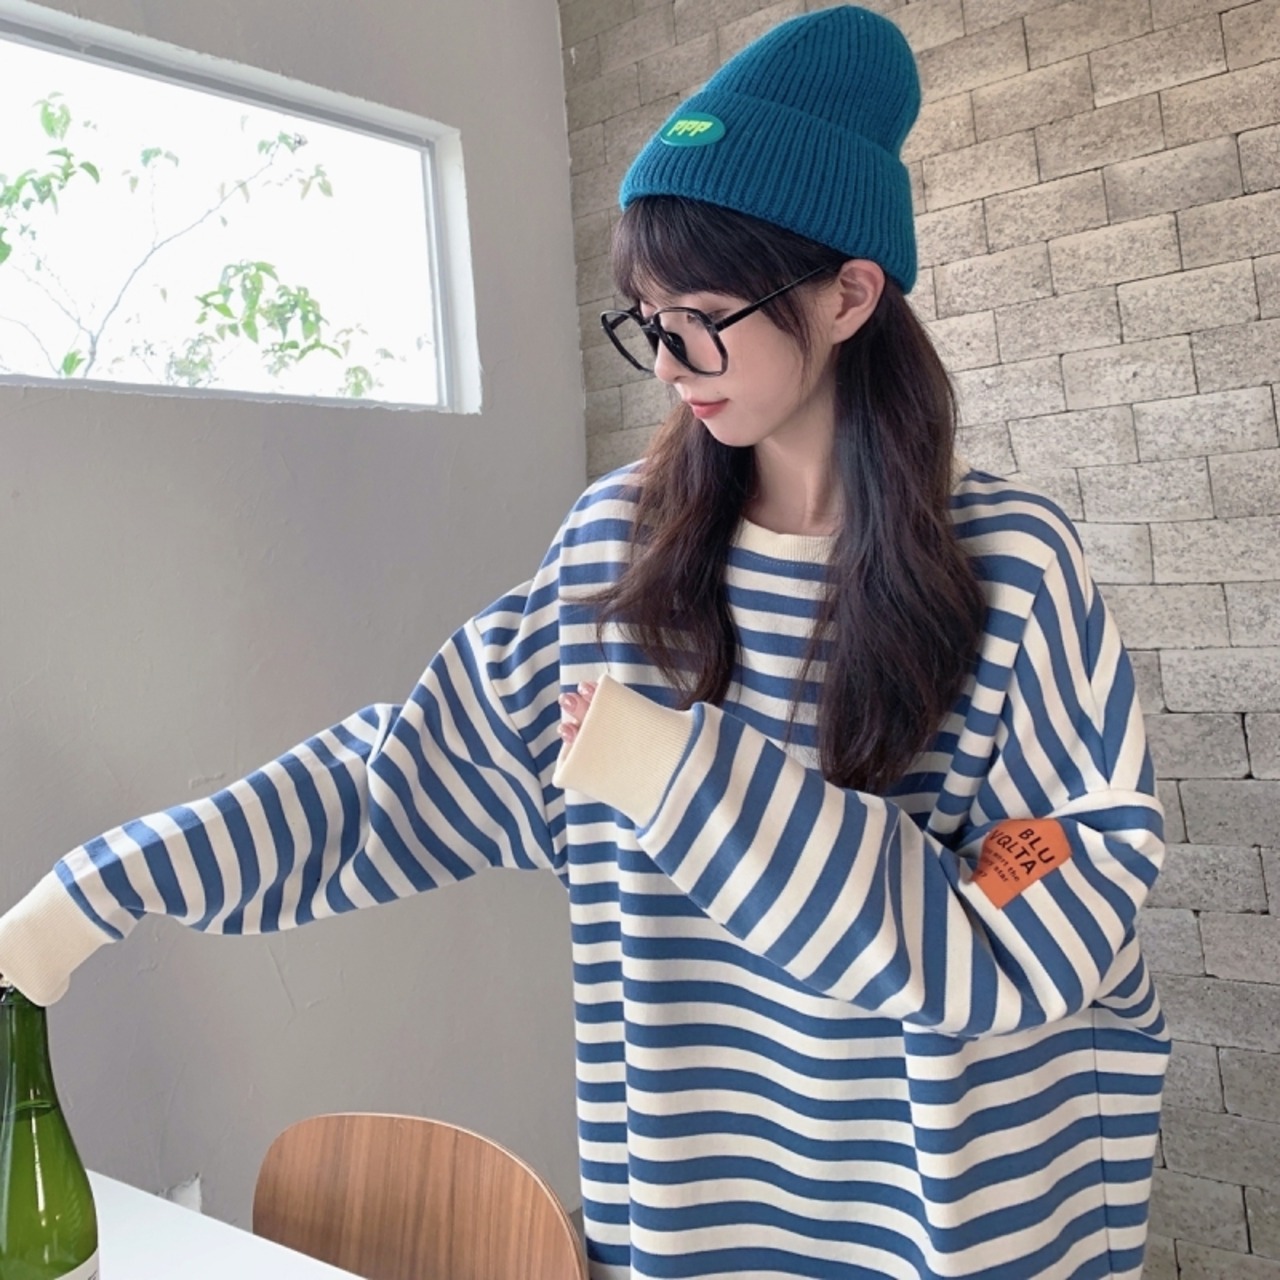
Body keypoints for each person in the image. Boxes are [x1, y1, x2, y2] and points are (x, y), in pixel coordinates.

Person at [0, 7, 1169, 1278]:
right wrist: (98, 889)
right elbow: (397, 781)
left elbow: (1035, 924)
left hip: (957, 1224)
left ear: (848, 295)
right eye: (643, 317)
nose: (665, 362)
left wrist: (686, 778)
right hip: (690, 1217)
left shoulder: (1009, 568)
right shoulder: (617, 553)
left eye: (701, 315)